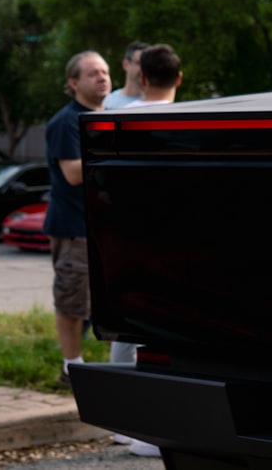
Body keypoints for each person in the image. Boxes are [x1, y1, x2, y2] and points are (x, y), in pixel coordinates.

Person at [114, 43, 182, 459]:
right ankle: (159, 430)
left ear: (141, 77)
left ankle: (130, 425)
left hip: (127, 241)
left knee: (129, 333)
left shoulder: (118, 120)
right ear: (179, 77)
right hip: (174, 246)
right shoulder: (189, 121)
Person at [43, 50, 111, 388]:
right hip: (73, 228)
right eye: (92, 73)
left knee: (97, 301)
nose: (102, 77)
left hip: (101, 229)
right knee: (72, 301)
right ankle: (70, 368)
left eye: (104, 71)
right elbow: (71, 173)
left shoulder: (108, 116)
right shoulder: (67, 121)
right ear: (74, 83)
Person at [103, 41, 149, 110]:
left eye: (148, 64)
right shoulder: (108, 102)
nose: (144, 68)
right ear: (125, 64)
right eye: (139, 63)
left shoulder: (157, 103)